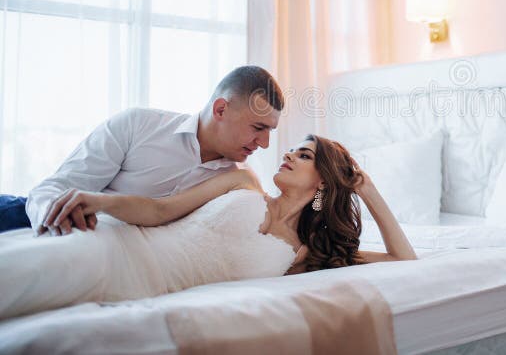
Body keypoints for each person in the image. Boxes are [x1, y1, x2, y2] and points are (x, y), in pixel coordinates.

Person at [0, 135, 415, 320]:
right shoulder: (242, 180)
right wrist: (102, 202)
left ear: (323, 180)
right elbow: (161, 210)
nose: (287, 152)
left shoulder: (306, 253)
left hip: (135, 288)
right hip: (114, 245)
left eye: (304, 154)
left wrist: (368, 188)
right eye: (294, 148)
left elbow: (402, 259)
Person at [0, 66, 283, 235]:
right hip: (22, 216)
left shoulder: (235, 185)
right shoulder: (137, 124)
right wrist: (54, 218)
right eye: (258, 128)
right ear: (221, 109)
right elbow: (54, 189)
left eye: (270, 131)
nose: (265, 143)